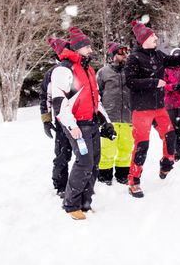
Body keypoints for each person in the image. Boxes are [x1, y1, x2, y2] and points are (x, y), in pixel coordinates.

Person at [51, 27, 116, 220]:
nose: (90, 50)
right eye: (87, 47)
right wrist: (72, 126)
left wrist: (106, 122)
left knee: (94, 163)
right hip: (77, 125)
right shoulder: (64, 69)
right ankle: (71, 204)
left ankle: (85, 202)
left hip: (91, 123)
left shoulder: (88, 68)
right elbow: (59, 102)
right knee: (84, 163)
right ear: (77, 48)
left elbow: (97, 100)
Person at [124, 20, 180, 198]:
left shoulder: (157, 55)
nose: (156, 37)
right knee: (142, 146)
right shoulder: (134, 58)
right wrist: (154, 82)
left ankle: (166, 165)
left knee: (170, 137)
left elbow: (177, 60)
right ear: (143, 39)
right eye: (152, 36)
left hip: (159, 108)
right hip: (142, 110)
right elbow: (130, 82)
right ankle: (134, 180)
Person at [39, 37, 73, 198]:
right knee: (62, 155)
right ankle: (60, 185)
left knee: (86, 156)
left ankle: (84, 185)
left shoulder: (79, 68)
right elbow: (45, 98)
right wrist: (46, 120)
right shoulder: (51, 73)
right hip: (62, 121)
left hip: (82, 119)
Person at [96, 41, 133, 185]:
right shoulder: (103, 72)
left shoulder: (131, 71)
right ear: (113, 55)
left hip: (128, 118)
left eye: (126, 52)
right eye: (121, 53)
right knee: (107, 149)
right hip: (109, 118)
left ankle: (123, 175)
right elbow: (96, 95)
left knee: (126, 148)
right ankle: (104, 176)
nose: (125, 55)